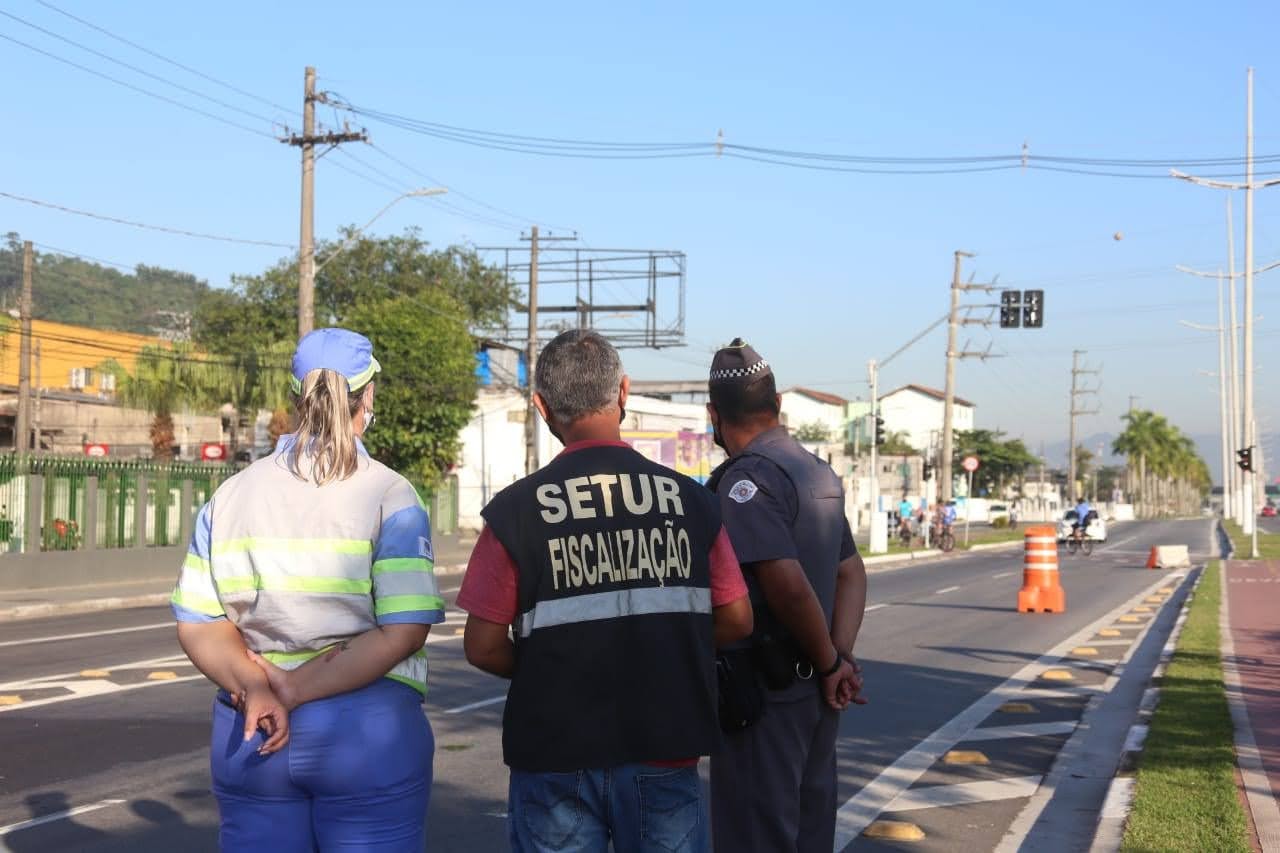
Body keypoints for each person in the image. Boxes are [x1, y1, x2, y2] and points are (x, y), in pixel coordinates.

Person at [457, 330, 753, 853]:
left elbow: (482, 646)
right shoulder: (693, 502)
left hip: (554, 753)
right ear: (623, 392)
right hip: (665, 743)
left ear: (542, 406)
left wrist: (548, 662)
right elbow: (736, 619)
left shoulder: (515, 512)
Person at [171, 328, 445, 852]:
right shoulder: (390, 494)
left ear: (296, 398)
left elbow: (199, 622)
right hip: (366, 734)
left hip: (251, 733)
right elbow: (404, 630)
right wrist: (296, 690)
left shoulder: (231, 495)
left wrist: (257, 689)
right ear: (368, 396)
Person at [705, 338, 868, 853]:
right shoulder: (816, 470)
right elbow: (851, 572)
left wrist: (830, 663)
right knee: (810, 828)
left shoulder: (746, 481)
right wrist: (839, 659)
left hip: (767, 697)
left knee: (758, 834)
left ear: (713, 415)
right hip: (817, 692)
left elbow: (787, 586)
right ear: (776, 404)